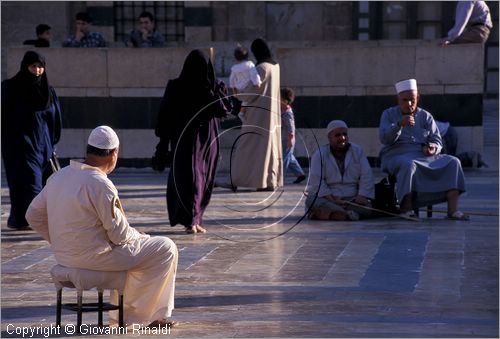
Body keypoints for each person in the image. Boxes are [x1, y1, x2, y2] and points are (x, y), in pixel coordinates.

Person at [26, 126, 178, 328]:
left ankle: (129, 314)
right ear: (114, 154)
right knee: (165, 247)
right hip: (95, 258)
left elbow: (32, 215)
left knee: (142, 248)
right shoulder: (100, 184)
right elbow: (119, 235)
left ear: (88, 150)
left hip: (64, 256)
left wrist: (58, 239)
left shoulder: (59, 176)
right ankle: (141, 317)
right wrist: (140, 236)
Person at [153, 50, 231, 234]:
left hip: (200, 141)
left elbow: (223, 110)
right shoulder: (178, 87)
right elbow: (166, 115)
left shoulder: (213, 87)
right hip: (189, 140)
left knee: (201, 180)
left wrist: (215, 91)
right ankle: (191, 219)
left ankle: (195, 218)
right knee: (191, 179)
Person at [379, 79, 469, 220]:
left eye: (412, 100)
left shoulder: (425, 116)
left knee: (453, 162)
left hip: (423, 155)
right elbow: (384, 139)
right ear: (398, 99)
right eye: (405, 100)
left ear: (418, 98)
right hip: (396, 154)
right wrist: (399, 125)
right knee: (408, 165)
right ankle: (406, 208)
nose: (409, 104)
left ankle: (452, 210)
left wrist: (433, 148)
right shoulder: (388, 114)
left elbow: (437, 140)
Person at [1, 51, 62, 230]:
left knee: (45, 185)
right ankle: (32, 220)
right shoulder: (10, 88)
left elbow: (55, 118)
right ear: (25, 67)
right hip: (19, 147)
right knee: (29, 184)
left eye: (40, 66)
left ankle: (22, 220)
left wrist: (52, 143)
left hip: (44, 147)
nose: (37, 70)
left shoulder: (48, 91)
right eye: (33, 66)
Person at [229, 38, 283, 191]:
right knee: (269, 148)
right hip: (272, 114)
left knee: (250, 148)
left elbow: (251, 91)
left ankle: (252, 181)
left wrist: (237, 94)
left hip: (258, 114)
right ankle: (270, 181)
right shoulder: (275, 66)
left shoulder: (262, 68)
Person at [305, 120, 374, 221]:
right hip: (329, 198)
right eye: (337, 135)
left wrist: (362, 195)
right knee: (310, 200)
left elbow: (367, 175)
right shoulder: (320, 154)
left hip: (352, 199)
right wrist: (332, 199)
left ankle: (328, 213)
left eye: (344, 134)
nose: (342, 138)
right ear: (329, 137)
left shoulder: (357, 151)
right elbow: (317, 181)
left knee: (367, 208)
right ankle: (347, 214)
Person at [229, 44, 262, 123]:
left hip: (240, 91)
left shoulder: (234, 68)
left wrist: (234, 92)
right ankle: (243, 112)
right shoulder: (250, 64)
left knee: (245, 100)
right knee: (250, 98)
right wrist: (258, 83)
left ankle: (240, 112)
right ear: (247, 56)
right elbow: (254, 75)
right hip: (249, 89)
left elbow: (231, 80)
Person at [280, 87, 306, 184]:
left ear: (286, 101)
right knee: (289, 157)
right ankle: (300, 174)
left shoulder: (287, 112)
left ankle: (279, 178)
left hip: (287, 139)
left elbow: (291, 127)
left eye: (280, 99)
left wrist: (290, 139)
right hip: (285, 138)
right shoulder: (283, 110)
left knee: (284, 158)